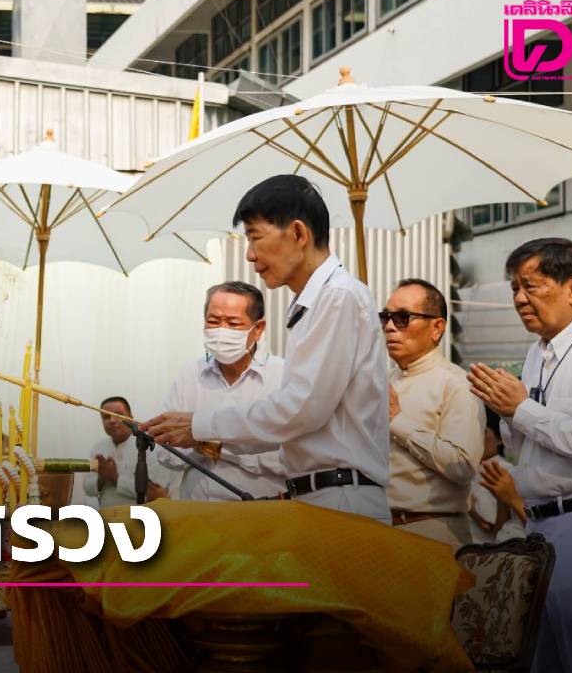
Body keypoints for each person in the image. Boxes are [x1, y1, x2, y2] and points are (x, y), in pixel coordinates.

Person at [142, 174, 390, 523]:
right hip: (317, 495)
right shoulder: (313, 302)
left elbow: (300, 409)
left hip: (341, 498)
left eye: (255, 237)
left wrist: (200, 426)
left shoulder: (337, 296)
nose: (250, 255)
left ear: (298, 234)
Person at [467, 237, 572, 672]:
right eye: (514, 288)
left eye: (530, 286)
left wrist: (521, 410)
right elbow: (524, 448)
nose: (518, 299)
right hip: (536, 524)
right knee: (540, 655)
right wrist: (508, 414)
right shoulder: (536, 353)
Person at [154, 281, 286, 501]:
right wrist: (196, 443)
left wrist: (211, 443)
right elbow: (164, 454)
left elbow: (295, 459)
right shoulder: (190, 375)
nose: (221, 331)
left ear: (258, 329)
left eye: (233, 323)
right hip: (198, 512)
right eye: (213, 321)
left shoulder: (283, 376)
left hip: (260, 511)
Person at [383, 279, 483, 546]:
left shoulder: (456, 384)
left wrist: (398, 422)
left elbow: (462, 465)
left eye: (402, 318)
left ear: (437, 327)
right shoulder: (383, 382)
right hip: (380, 529)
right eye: (385, 317)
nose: (390, 326)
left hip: (433, 531)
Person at [82, 397, 176, 507]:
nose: (112, 420)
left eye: (118, 415)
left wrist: (114, 477)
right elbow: (88, 488)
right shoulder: (98, 447)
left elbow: (153, 492)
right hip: (106, 515)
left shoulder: (147, 445)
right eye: (106, 417)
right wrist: (102, 479)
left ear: (130, 418)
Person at [467, 410, 525, 545]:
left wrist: (467, 500)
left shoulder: (502, 470)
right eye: (473, 431)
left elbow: (489, 522)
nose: (477, 437)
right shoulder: (472, 469)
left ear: (499, 439)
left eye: (484, 432)